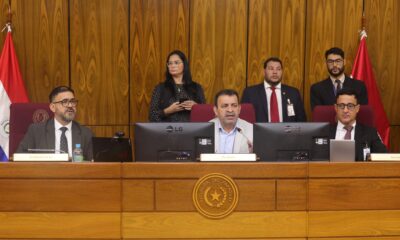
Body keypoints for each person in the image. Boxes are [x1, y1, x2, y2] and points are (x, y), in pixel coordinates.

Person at [17, 86, 93, 160]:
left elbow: (94, 164)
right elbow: (20, 157)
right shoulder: (36, 131)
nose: (70, 105)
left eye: (72, 101)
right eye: (65, 102)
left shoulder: (85, 133)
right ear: (53, 107)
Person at [241, 57, 306, 122]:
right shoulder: (250, 93)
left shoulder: (293, 93)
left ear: (282, 71)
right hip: (259, 131)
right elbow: (244, 120)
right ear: (264, 71)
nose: (275, 72)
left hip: (286, 132)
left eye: (278, 69)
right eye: (271, 69)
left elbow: (301, 120)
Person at [149, 50, 206, 122]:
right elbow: (152, 116)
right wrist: (167, 111)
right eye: (170, 63)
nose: (172, 66)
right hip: (167, 131)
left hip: (192, 131)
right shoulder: (160, 88)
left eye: (176, 63)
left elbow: (205, 115)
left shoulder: (196, 87)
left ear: (184, 65)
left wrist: (196, 107)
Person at [330, 88, 386, 161]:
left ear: (357, 108)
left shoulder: (370, 133)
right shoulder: (324, 133)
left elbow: (384, 157)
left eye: (350, 106)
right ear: (336, 108)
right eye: (341, 106)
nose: (345, 110)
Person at [210, 89, 253, 153]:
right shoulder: (206, 130)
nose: (230, 110)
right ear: (216, 110)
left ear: (239, 109)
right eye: (225, 106)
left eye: (234, 105)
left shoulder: (252, 131)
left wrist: (254, 153)